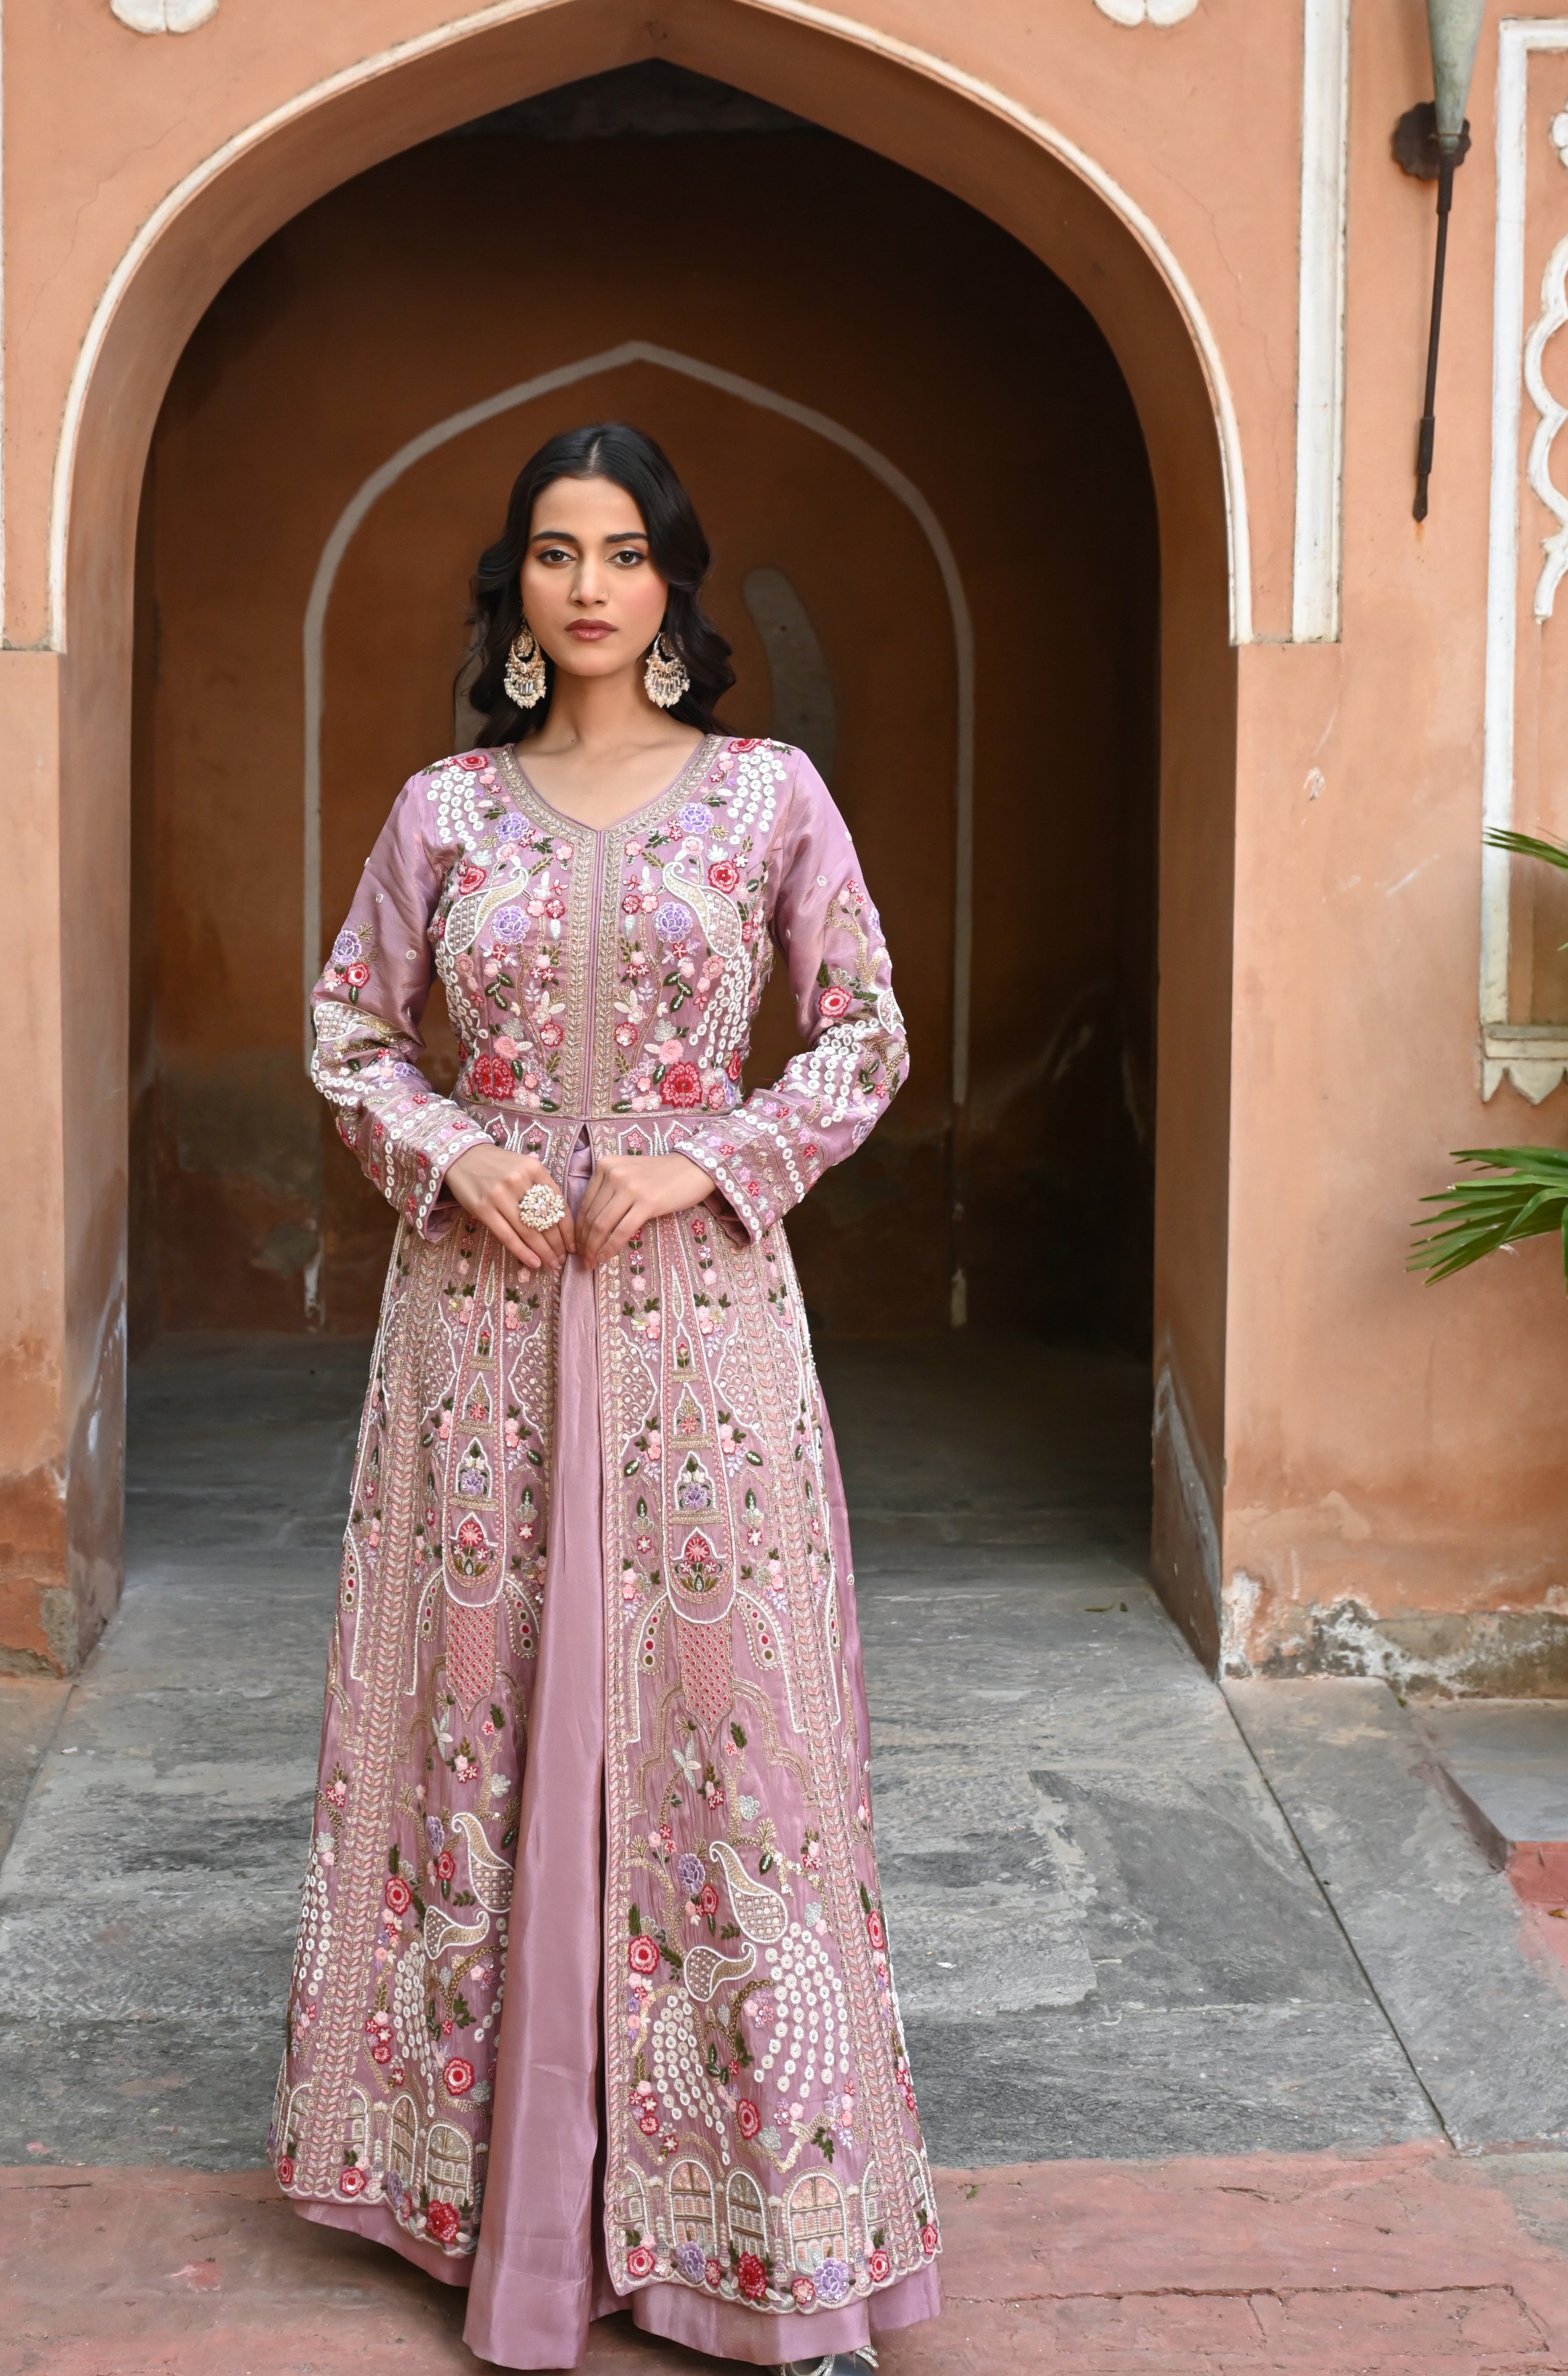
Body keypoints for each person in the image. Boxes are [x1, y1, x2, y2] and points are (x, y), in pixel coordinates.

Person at [272, 424, 941, 2373]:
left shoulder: (766, 799)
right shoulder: (445, 811)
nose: (586, 585)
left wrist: (716, 1156)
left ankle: (776, 2224)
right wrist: (440, 1148)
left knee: (727, 1736)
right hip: (477, 1332)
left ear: (672, 587)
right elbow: (343, 1031)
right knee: (476, 1720)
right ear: (519, 587)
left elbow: (866, 1028)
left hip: (695, 1317)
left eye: (624, 552)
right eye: (555, 552)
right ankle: (482, 2193)